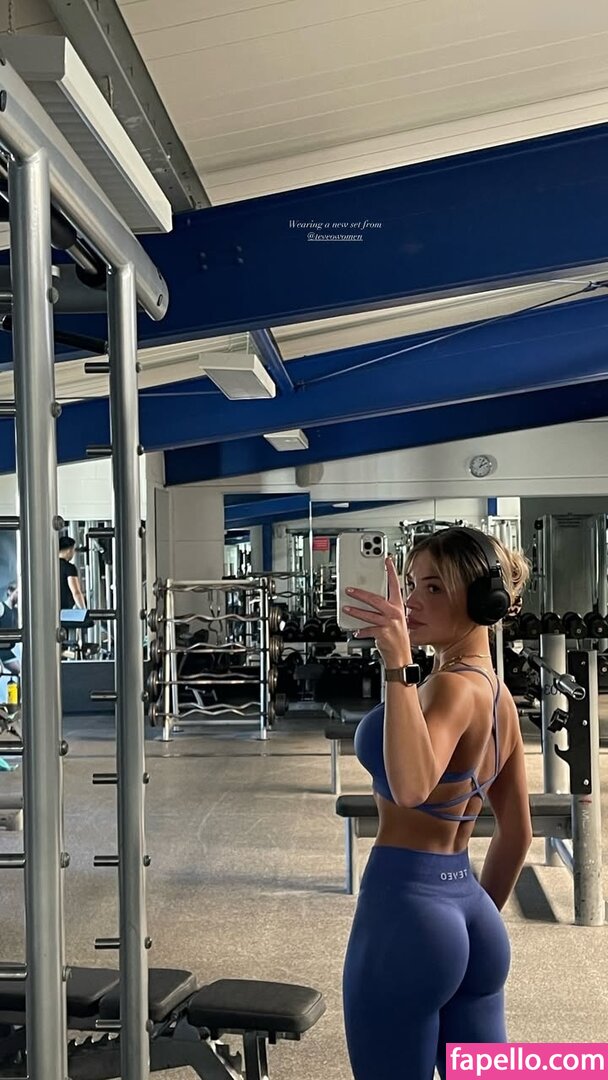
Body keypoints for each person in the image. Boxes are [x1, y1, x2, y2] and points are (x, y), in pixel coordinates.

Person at [341, 526, 532, 1080]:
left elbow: (411, 789)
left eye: (434, 588)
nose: (412, 602)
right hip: (472, 916)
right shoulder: (498, 695)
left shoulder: (447, 688)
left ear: (482, 601)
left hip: (406, 910)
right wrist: (464, 924)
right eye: (411, 585)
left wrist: (398, 665)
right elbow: (517, 834)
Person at [59, 536, 86, 610]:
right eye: (73, 550)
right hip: (65, 610)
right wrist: (83, 610)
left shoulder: (51, 567)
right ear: (69, 550)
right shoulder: (69, 567)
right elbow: (76, 592)